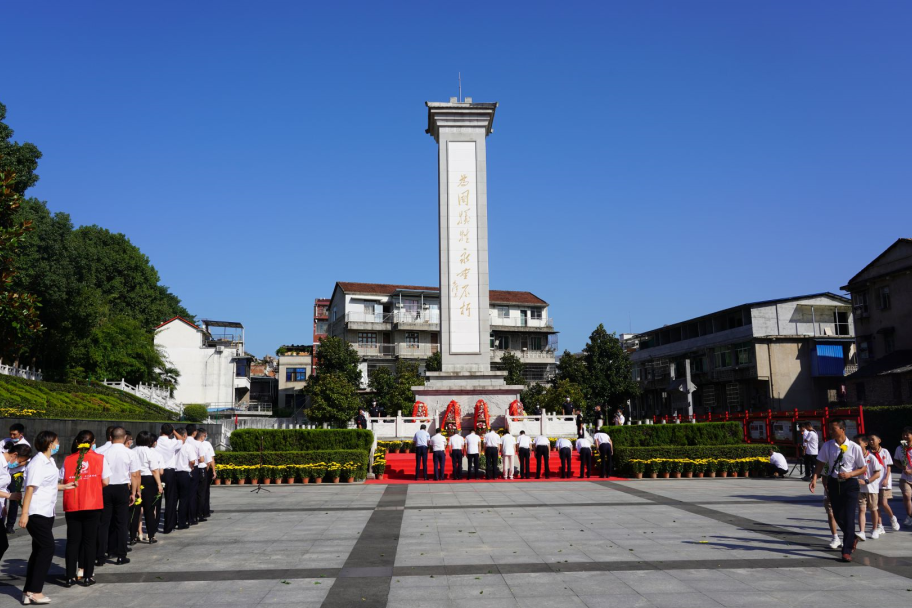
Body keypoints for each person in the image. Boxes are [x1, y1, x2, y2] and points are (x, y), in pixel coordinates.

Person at [19, 431, 78, 604]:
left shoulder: (50, 461)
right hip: (36, 511)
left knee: (38, 550)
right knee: (47, 548)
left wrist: (65, 486)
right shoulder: (38, 463)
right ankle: (35, 591)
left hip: (47, 511)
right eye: (56, 441)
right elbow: (30, 488)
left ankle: (28, 591)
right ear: (49, 443)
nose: (58, 444)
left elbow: (48, 485)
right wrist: (24, 514)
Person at [809, 419, 867, 562]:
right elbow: (821, 462)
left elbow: (863, 467)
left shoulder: (854, 447)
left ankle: (846, 551)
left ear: (842, 430)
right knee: (837, 514)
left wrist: (850, 474)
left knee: (848, 515)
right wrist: (814, 478)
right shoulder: (828, 445)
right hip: (834, 483)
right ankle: (852, 536)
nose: (830, 431)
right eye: (830, 429)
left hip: (850, 484)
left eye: (833, 429)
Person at [60, 430, 109, 587]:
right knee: (89, 541)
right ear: (92, 442)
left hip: (73, 504)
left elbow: (63, 479)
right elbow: (106, 481)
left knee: (73, 541)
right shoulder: (100, 459)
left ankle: (69, 577)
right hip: (92, 504)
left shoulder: (68, 460)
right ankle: (88, 575)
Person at [100, 427, 140, 565]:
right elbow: (134, 474)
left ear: (111, 437)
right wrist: (133, 493)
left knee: (104, 523)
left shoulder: (102, 453)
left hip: (105, 488)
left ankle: (102, 554)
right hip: (122, 488)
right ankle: (121, 554)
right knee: (122, 523)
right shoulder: (129, 453)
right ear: (124, 438)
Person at [132, 431, 164, 545]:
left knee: (135, 509)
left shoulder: (132, 451)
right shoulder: (150, 452)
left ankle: (133, 535)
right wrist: (159, 484)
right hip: (148, 480)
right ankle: (151, 535)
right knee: (149, 509)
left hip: (135, 479)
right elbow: (155, 470)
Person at [1, 443, 30, 563]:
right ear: (15, 455)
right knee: (2, 544)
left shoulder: (6, 466)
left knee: (2, 544)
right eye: (20, 462)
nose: (18, 465)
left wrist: (2, 505)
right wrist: (8, 495)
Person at [869, 435, 900, 532]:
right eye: (869, 440)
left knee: (883, 503)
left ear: (879, 440)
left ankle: (892, 518)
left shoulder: (885, 451)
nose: (871, 441)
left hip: (883, 481)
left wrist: (886, 478)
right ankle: (880, 525)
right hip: (874, 482)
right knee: (875, 504)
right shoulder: (869, 453)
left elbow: (889, 466)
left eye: (873, 439)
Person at [3, 423, 30, 534]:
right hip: (5, 473)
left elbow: (25, 460)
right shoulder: (4, 442)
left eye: (14, 434)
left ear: (21, 434)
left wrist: (13, 465)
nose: (12, 436)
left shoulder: (25, 445)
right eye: (11, 434)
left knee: (14, 500)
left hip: (16, 475)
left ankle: (10, 525)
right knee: (3, 499)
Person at [155, 423, 182, 534]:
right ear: (171, 432)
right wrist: (174, 431)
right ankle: (168, 526)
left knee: (156, 499)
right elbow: (181, 439)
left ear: (160, 430)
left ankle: (154, 525)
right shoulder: (172, 442)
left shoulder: (156, 441)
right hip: (170, 471)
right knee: (170, 500)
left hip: (157, 472)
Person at [855, 435, 882, 541]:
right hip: (860, 489)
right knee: (862, 509)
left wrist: (866, 481)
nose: (856, 445)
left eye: (858, 443)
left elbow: (877, 474)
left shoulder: (871, 457)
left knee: (873, 509)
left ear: (865, 444)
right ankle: (862, 531)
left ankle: (875, 529)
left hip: (871, 489)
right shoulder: (855, 458)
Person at [173, 428, 196, 530]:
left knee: (173, 499)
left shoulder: (172, 446)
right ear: (185, 436)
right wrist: (191, 466)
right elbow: (192, 461)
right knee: (184, 499)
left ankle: (172, 521)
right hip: (184, 473)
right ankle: (182, 522)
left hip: (173, 473)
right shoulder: (188, 447)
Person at [893, 426, 912, 527]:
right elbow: (895, 460)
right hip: (905, 478)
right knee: (906, 495)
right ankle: (909, 516)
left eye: (907, 434)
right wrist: (902, 467)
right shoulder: (900, 448)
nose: (905, 436)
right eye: (903, 434)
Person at [185, 424, 203, 524]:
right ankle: (192, 517)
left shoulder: (181, 442)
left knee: (183, 495)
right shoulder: (197, 443)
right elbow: (202, 459)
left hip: (180, 470)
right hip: (193, 467)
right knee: (193, 494)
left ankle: (183, 517)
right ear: (194, 432)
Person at [194, 427, 212, 523]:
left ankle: (191, 514)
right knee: (201, 494)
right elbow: (208, 461)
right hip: (201, 469)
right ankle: (199, 514)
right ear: (203, 436)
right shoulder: (203, 445)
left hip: (192, 470)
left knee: (193, 493)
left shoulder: (189, 444)